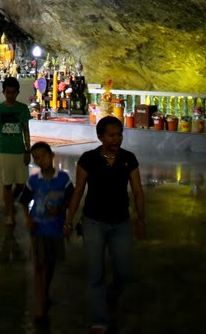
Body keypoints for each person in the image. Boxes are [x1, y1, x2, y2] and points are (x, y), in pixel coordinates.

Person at [64, 115, 145, 334]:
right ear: (100, 137)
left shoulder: (129, 158)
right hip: (93, 222)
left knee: (124, 271)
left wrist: (141, 218)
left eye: (119, 134)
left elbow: (137, 190)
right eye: (111, 135)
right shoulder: (88, 159)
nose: (116, 139)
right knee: (96, 272)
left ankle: (111, 297)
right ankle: (99, 318)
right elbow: (79, 191)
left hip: (121, 222)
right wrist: (69, 220)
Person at [20, 142, 74, 322]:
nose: (40, 160)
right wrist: (28, 219)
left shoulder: (64, 179)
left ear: (52, 155)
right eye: (36, 158)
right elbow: (23, 201)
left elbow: (72, 200)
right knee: (38, 265)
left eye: (43, 156)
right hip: (38, 228)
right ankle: (40, 304)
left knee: (50, 264)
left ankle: (45, 292)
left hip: (56, 229)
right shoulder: (33, 181)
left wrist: (63, 215)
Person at [0, 76, 31, 227]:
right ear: (3, 92)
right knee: (6, 184)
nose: (10, 95)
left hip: (19, 150)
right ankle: (10, 215)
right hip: (4, 151)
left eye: (13, 92)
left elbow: (26, 130)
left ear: (17, 92)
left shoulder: (22, 109)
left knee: (21, 184)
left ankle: (10, 201)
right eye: (8, 92)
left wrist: (28, 150)